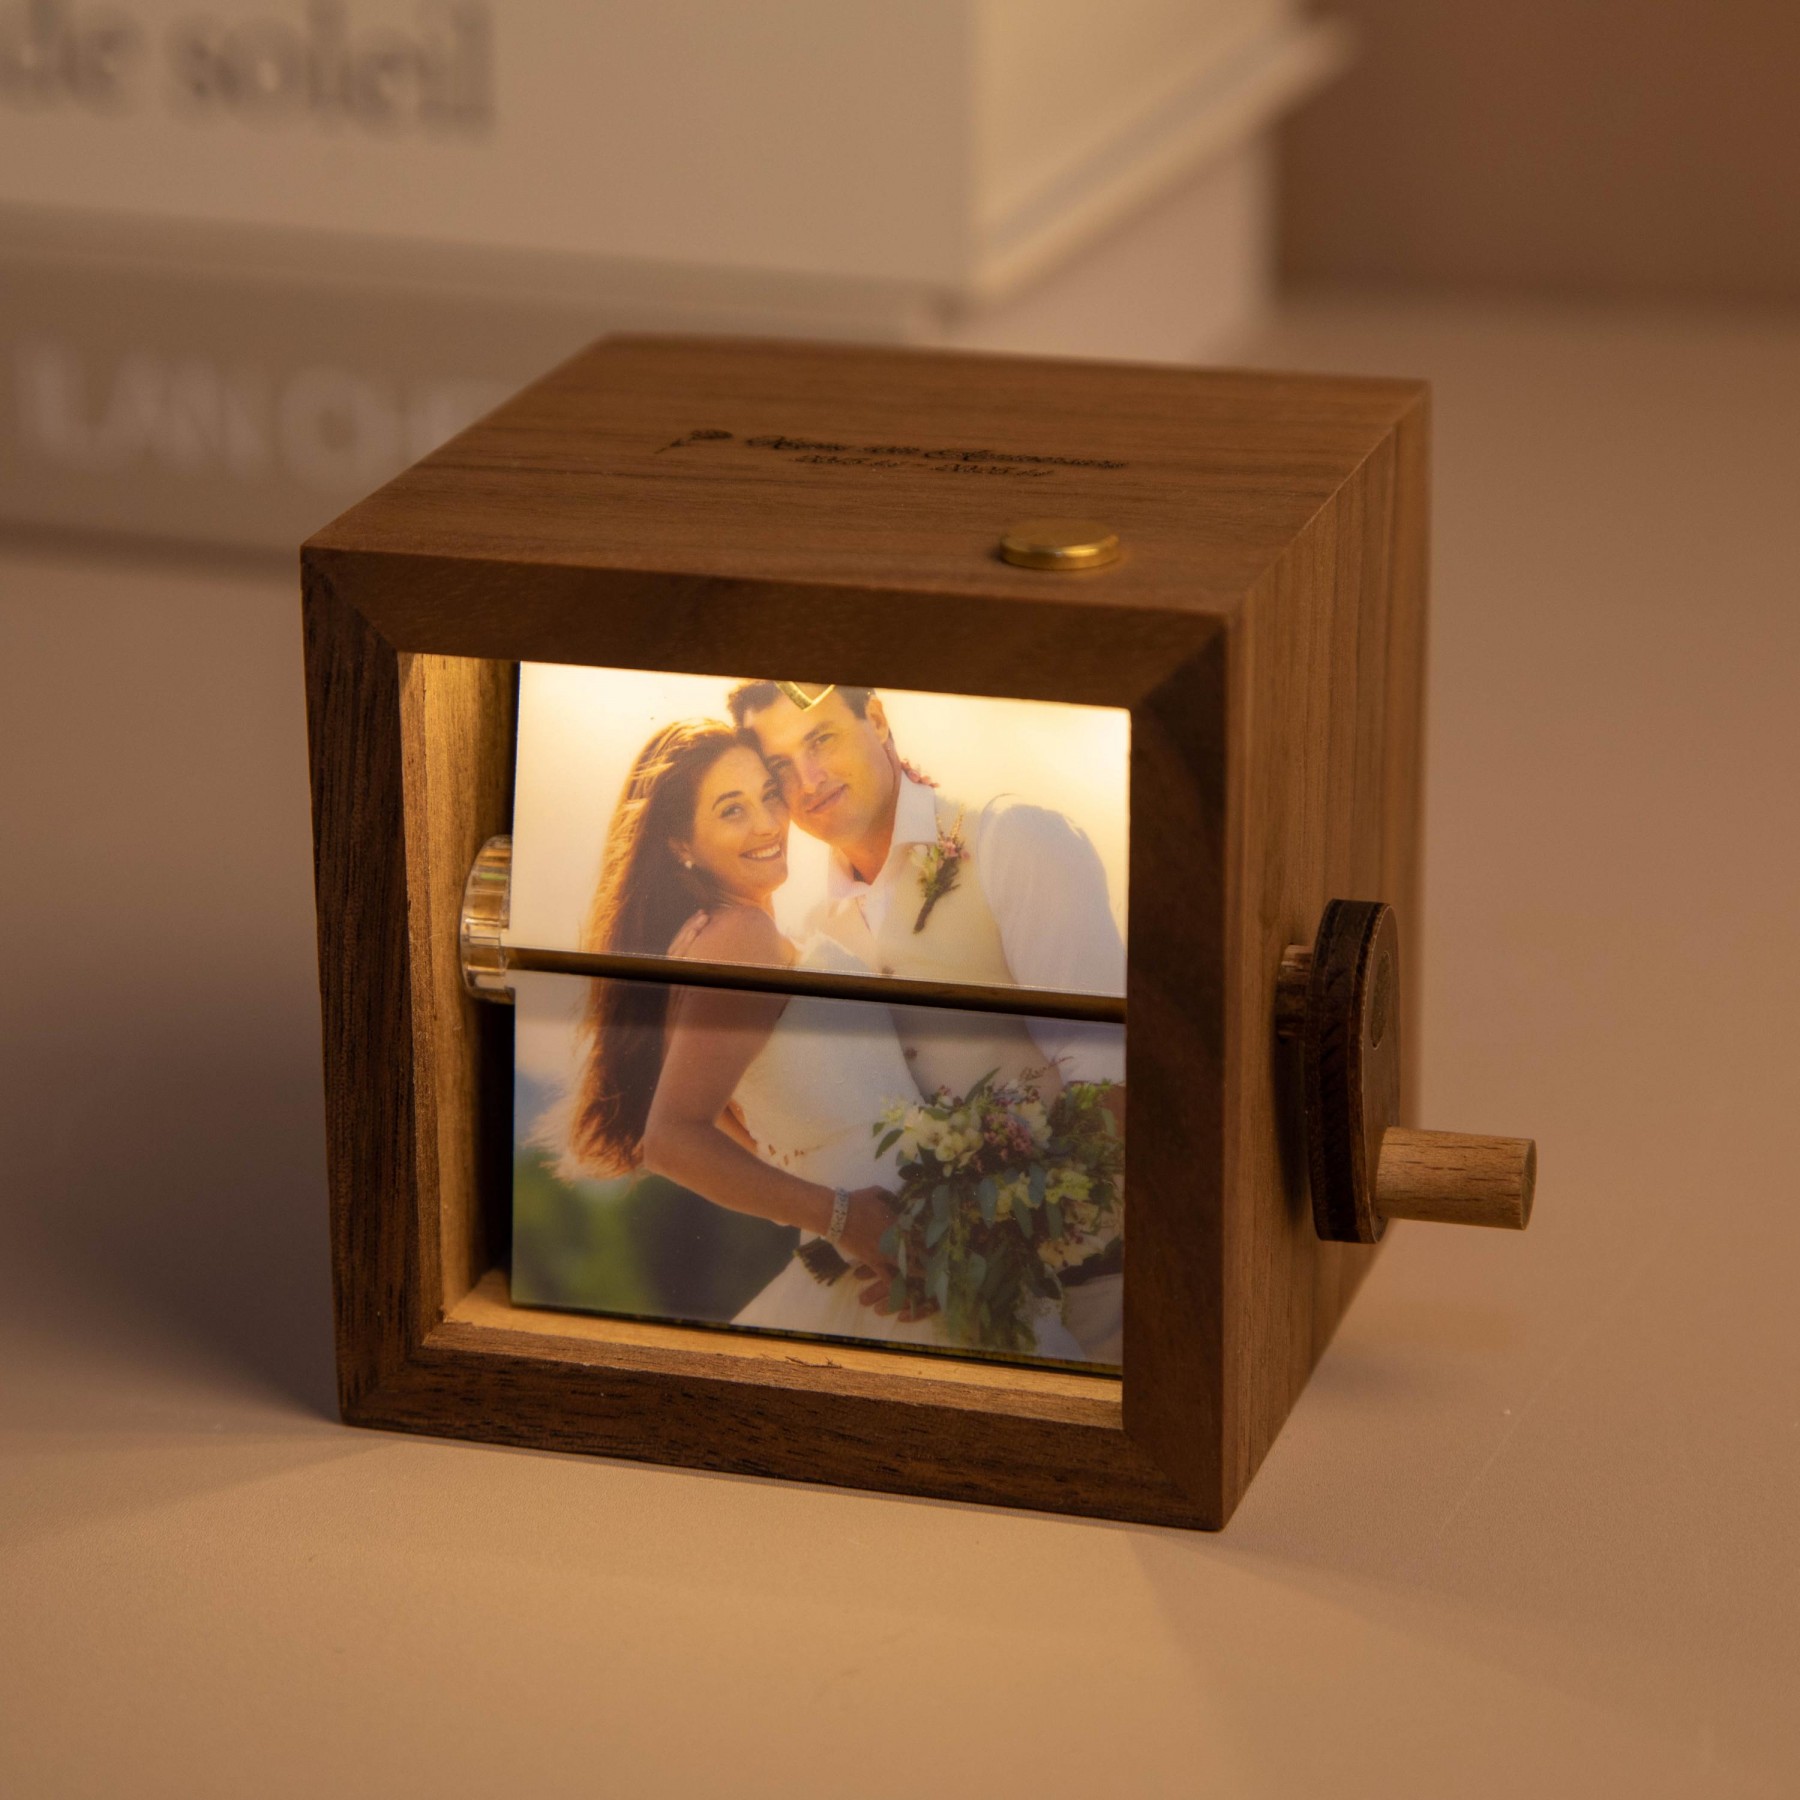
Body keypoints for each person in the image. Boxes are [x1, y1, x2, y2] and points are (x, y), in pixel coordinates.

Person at [564, 719, 1081, 1354]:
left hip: (904, 1262)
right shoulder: (741, 936)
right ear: (680, 843)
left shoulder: (725, 938)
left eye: (768, 795)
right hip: (884, 1260)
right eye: (732, 810)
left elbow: (759, 1138)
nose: (766, 824)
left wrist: (876, 1220)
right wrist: (846, 1220)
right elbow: (672, 1140)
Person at [727, 681, 1126, 1366]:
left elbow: (1113, 1084)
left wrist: (973, 1253)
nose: (809, 780)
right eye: (781, 767)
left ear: (878, 719)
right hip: (933, 1333)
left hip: (1104, 1306)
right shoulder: (815, 939)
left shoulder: (1013, 841)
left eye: (821, 739)